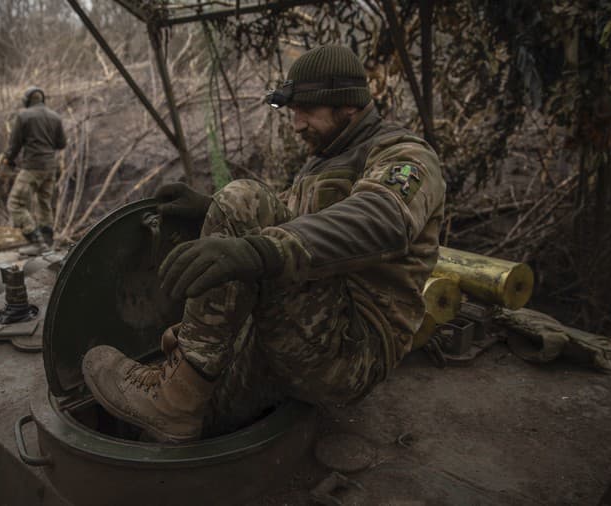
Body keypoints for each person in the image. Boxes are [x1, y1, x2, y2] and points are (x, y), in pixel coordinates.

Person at [82, 45, 446, 443]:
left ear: (347, 104)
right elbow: (290, 222)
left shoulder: (404, 156)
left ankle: (175, 396)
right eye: (292, 112)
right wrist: (207, 209)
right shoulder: (323, 162)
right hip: (308, 330)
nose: (296, 124)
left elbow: (383, 218)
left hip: (353, 349)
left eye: (306, 110)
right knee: (197, 420)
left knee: (243, 196)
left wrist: (255, 247)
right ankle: (182, 392)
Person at [4, 86, 67, 254]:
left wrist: (8, 159)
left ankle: (36, 241)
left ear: (26, 101)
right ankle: (47, 242)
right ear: (42, 99)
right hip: (50, 168)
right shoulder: (55, 117)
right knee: (44, 203)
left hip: (32, 167)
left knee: (15, 203)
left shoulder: (23, 116)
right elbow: (62, 144)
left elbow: (15, 143)